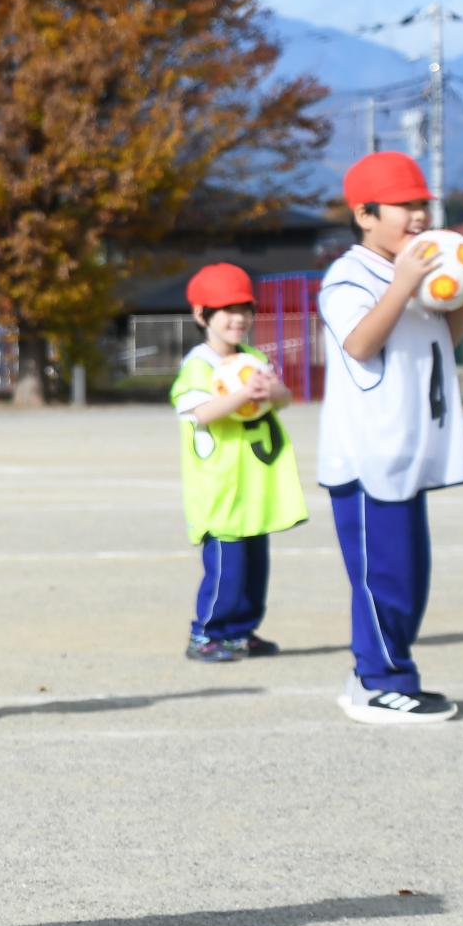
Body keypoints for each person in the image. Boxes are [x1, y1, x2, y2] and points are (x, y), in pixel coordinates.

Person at [316, 151, 463, 724]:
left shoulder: (415, 269)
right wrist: (405, 283)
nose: (417, 216)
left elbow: (446, 340)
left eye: (421, 205)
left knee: (408, 575)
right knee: (381, 576)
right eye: (403, 206)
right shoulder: (349, 275)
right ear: (364, 214)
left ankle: (381, 674)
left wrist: (459, 291)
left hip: (409, 450)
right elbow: (360, 343)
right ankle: (379, 682)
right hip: (368, 456)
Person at [169, 264, 307, 663]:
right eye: (226, 310)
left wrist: (271, 389)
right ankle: (207, 633)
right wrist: (243, 393)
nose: (238, 319)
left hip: (254, 486)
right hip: (221, 486)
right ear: (202, 315)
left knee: (254, 569)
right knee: (226, 569)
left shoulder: (253, 357)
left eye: (244, 309)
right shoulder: (199, 364)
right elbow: (201, 412)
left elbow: (282, 399)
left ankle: (242, 631)